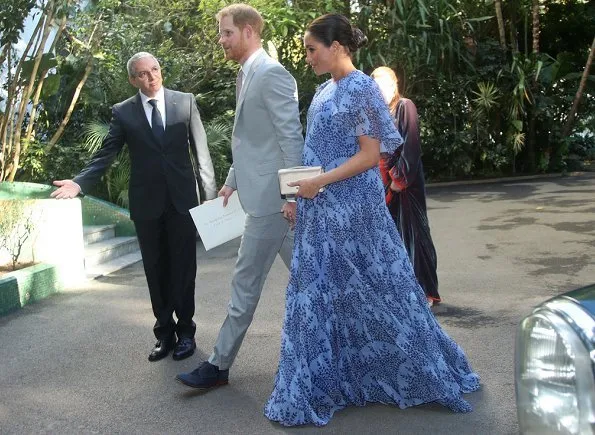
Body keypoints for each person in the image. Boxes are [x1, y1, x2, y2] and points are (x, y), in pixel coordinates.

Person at [263, 14, 480, 427]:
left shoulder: (362, 88)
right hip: (320, 209)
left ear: (338, 47)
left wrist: (319, 183)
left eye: (312, 49)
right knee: (322, 296)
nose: (307, 57)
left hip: (356, 210)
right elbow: (313, 153)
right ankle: (335, 380)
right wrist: (297, 195)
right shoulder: (323, 92)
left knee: (382, 291)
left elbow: (369, 156)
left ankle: (419, 371)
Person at [51, 52, 217, 362]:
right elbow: (106, 152)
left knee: (184, 269)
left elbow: (201, 153)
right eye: (142, 73)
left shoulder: (185, 102)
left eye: (155, 69)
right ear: (133, 80)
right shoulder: (123, 112)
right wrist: (79, 183)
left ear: (160, 70)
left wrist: (209, 195)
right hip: (147, 205)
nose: (151, 77)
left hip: (182, 201)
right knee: (155, 270)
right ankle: (164, 334)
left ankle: (187, 333)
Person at [176, 4, 304, 389]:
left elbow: (290, 138)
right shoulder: (247, 75)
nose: (221, 40)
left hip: (271, 204)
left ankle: (218, 365)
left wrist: (293, 196)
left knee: (245, 282)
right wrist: (232, 179)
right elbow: (250, 139)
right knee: (316, 276)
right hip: (265, 198)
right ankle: (357, 344)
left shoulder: (271, 74)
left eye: (226, 32)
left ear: (249, 31)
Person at [371, 66, 441, 306]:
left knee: (414, 234)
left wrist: (398, 179)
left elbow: (411, 146)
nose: (380, 91)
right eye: (375, 86)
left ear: (394, 85)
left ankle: (423, 290)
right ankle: (398, 292)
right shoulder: (374, 113)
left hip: (405, 183)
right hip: (380, 183)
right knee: (389, 239)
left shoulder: (405, 107)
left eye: (384, 85)